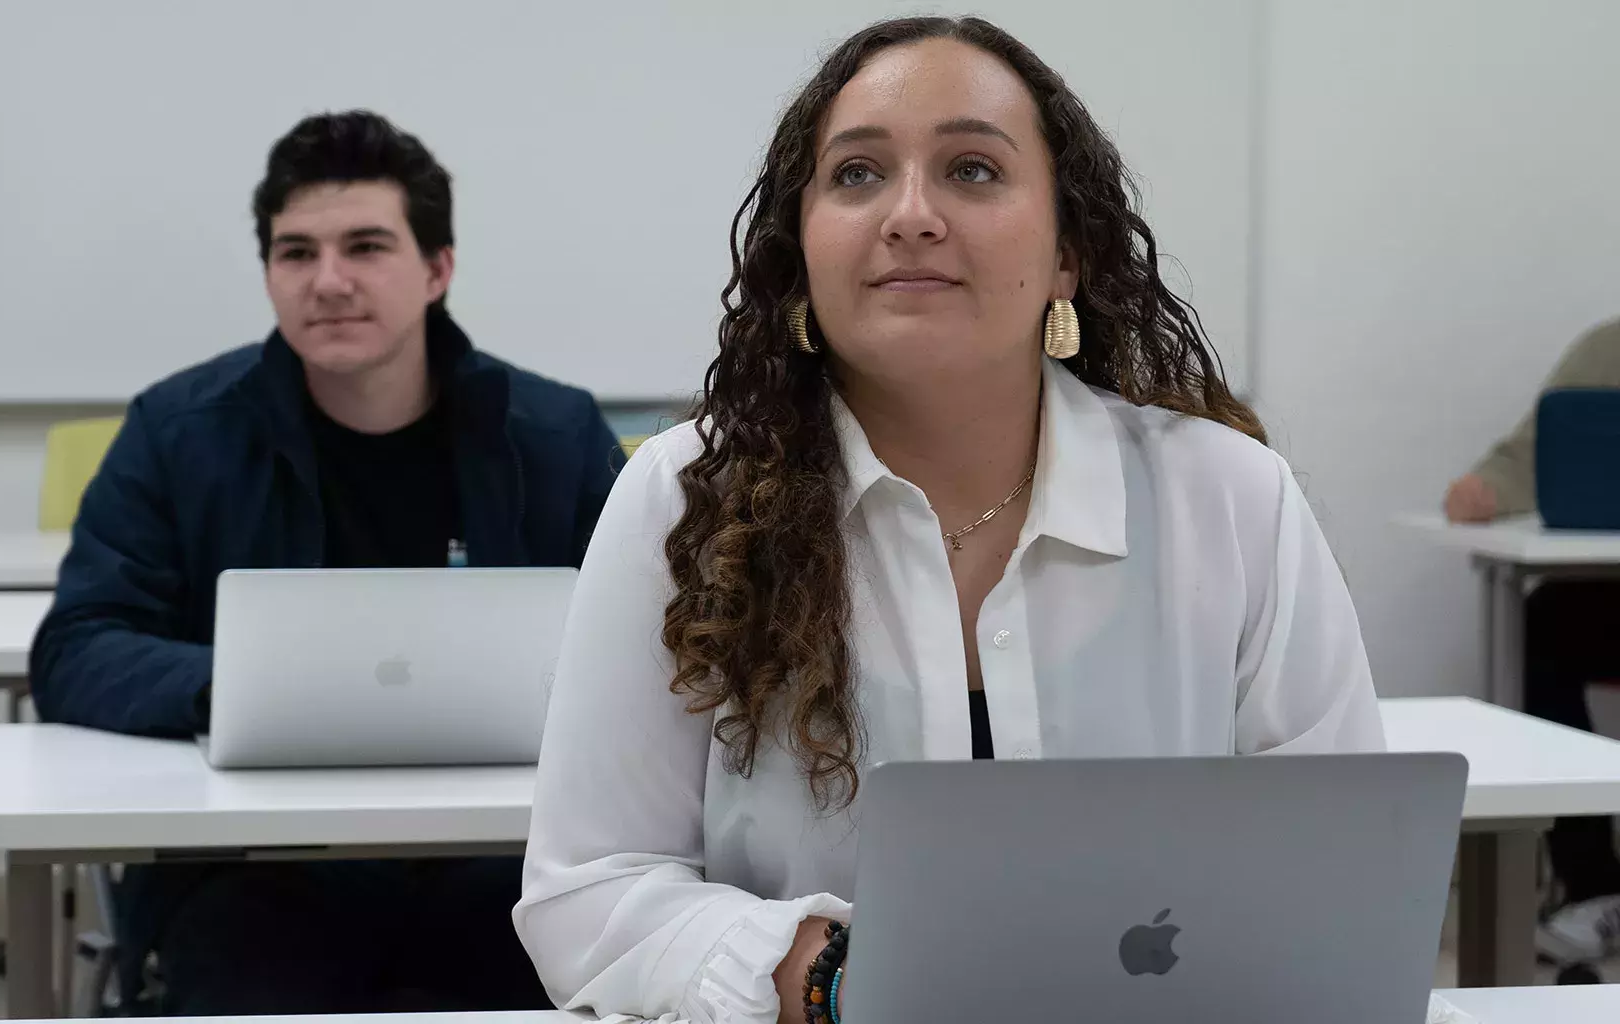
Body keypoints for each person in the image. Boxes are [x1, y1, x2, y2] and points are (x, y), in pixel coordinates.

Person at [512, 16, 1385, 1021]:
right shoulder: (684, 500)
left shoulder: (1233, 499)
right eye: (856, 175)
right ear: (800, 253)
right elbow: (593, 889)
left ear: (1068, 256)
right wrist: (834, 978)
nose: (912, 214)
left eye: (973, 170)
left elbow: (1342, 876)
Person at [29, 110, 624, 1014]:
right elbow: (76, 643)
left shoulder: (552, 436)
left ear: (437, 269)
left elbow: (667, 644)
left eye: (365, 247)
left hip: (513, 865)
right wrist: (246, 689)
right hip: (257, 867)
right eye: (295, 252)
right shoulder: (178, 431)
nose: (328, 281)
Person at [1443, 317, 1620, 966]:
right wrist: (1486, 488)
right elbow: (1532, 451)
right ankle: (1596, 885)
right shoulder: (1611, 346)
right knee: (1545, 618)